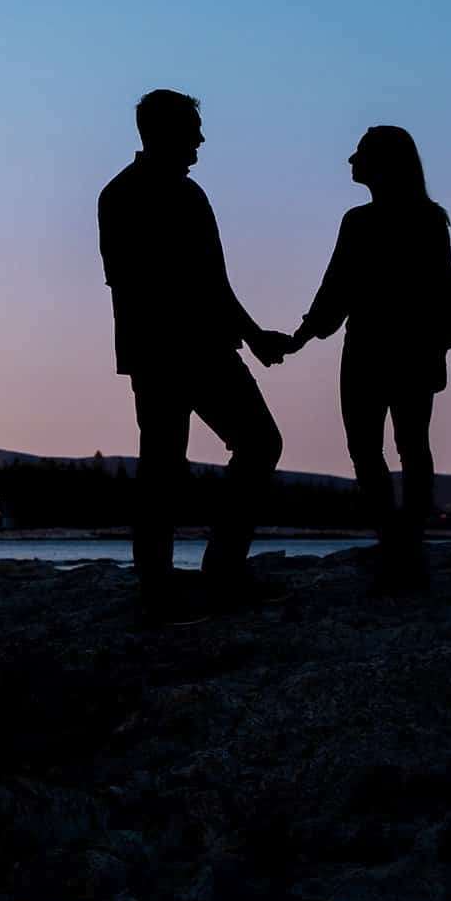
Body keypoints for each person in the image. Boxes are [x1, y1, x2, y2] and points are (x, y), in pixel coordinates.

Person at [98, 90, 298, 620]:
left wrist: (252, 336)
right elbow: (155, 280)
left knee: (218, 453)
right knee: (200, 457)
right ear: (162, 132)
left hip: (188, 348)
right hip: (176, 352)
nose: (201, 140)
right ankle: (183, 582)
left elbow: (214, 283)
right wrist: (246, 334)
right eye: (193, 130)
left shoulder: (177, 195)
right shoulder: (127, 195)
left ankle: (193, 578)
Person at [278, 125, 451, 593]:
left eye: (359, 153)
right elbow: (336, 293)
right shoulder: (374, 221)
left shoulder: (407, 222)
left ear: (383, 163)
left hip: (387, 356)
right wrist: (301, 335)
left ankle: (401, 544)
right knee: (393, 449)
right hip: (382, 355)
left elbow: (336, 294)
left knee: (390, 450)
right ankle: (401, 544)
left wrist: (301, 335)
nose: (350, 160)